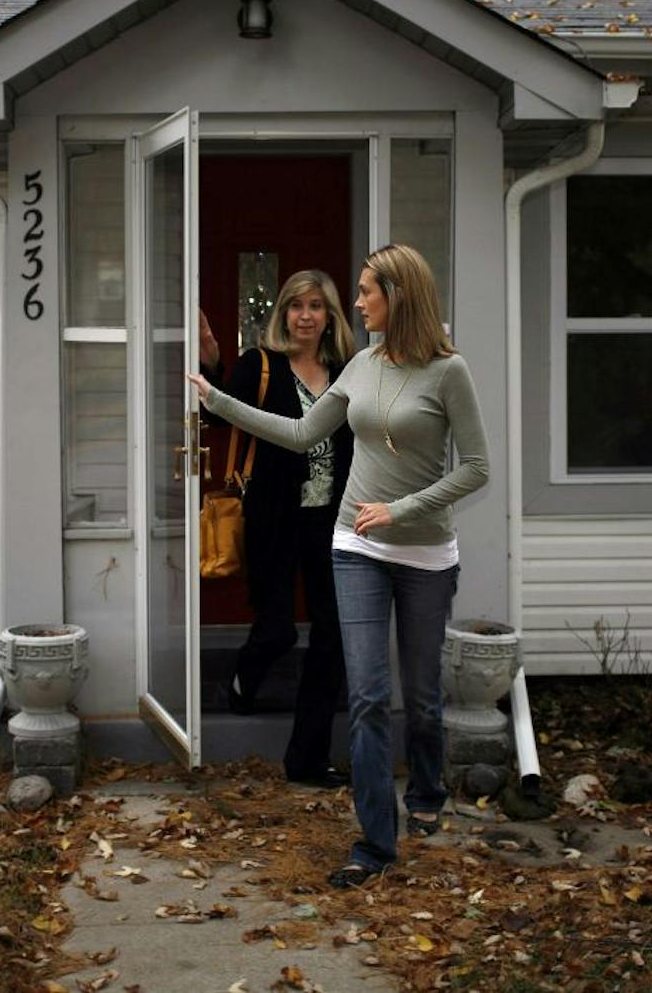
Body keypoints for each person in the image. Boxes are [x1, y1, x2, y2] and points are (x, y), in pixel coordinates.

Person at [190, 244, 490, 888]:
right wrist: (218, 401)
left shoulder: (448, 372)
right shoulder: (359, 364)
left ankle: (428, 792)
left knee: (425, 699)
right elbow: (301, 434)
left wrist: (402, 509)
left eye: (364, 292)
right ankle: (375, 845)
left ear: (398, 297)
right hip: (354, 546)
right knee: (369, 698)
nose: (354, 304)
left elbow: (476, 468)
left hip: (424, 551)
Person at [199, 270, 356, 788]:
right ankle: (243, 678)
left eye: (316, 306)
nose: (305, 316)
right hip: (273, 515)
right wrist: (210, 361)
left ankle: (307, 757)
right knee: (278, 628)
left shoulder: (347, 370)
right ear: (283, 314)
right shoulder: (260, 365)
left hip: (331, 520)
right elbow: (220, 417)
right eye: (295, 306)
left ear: (330, 315)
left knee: (332, 634)